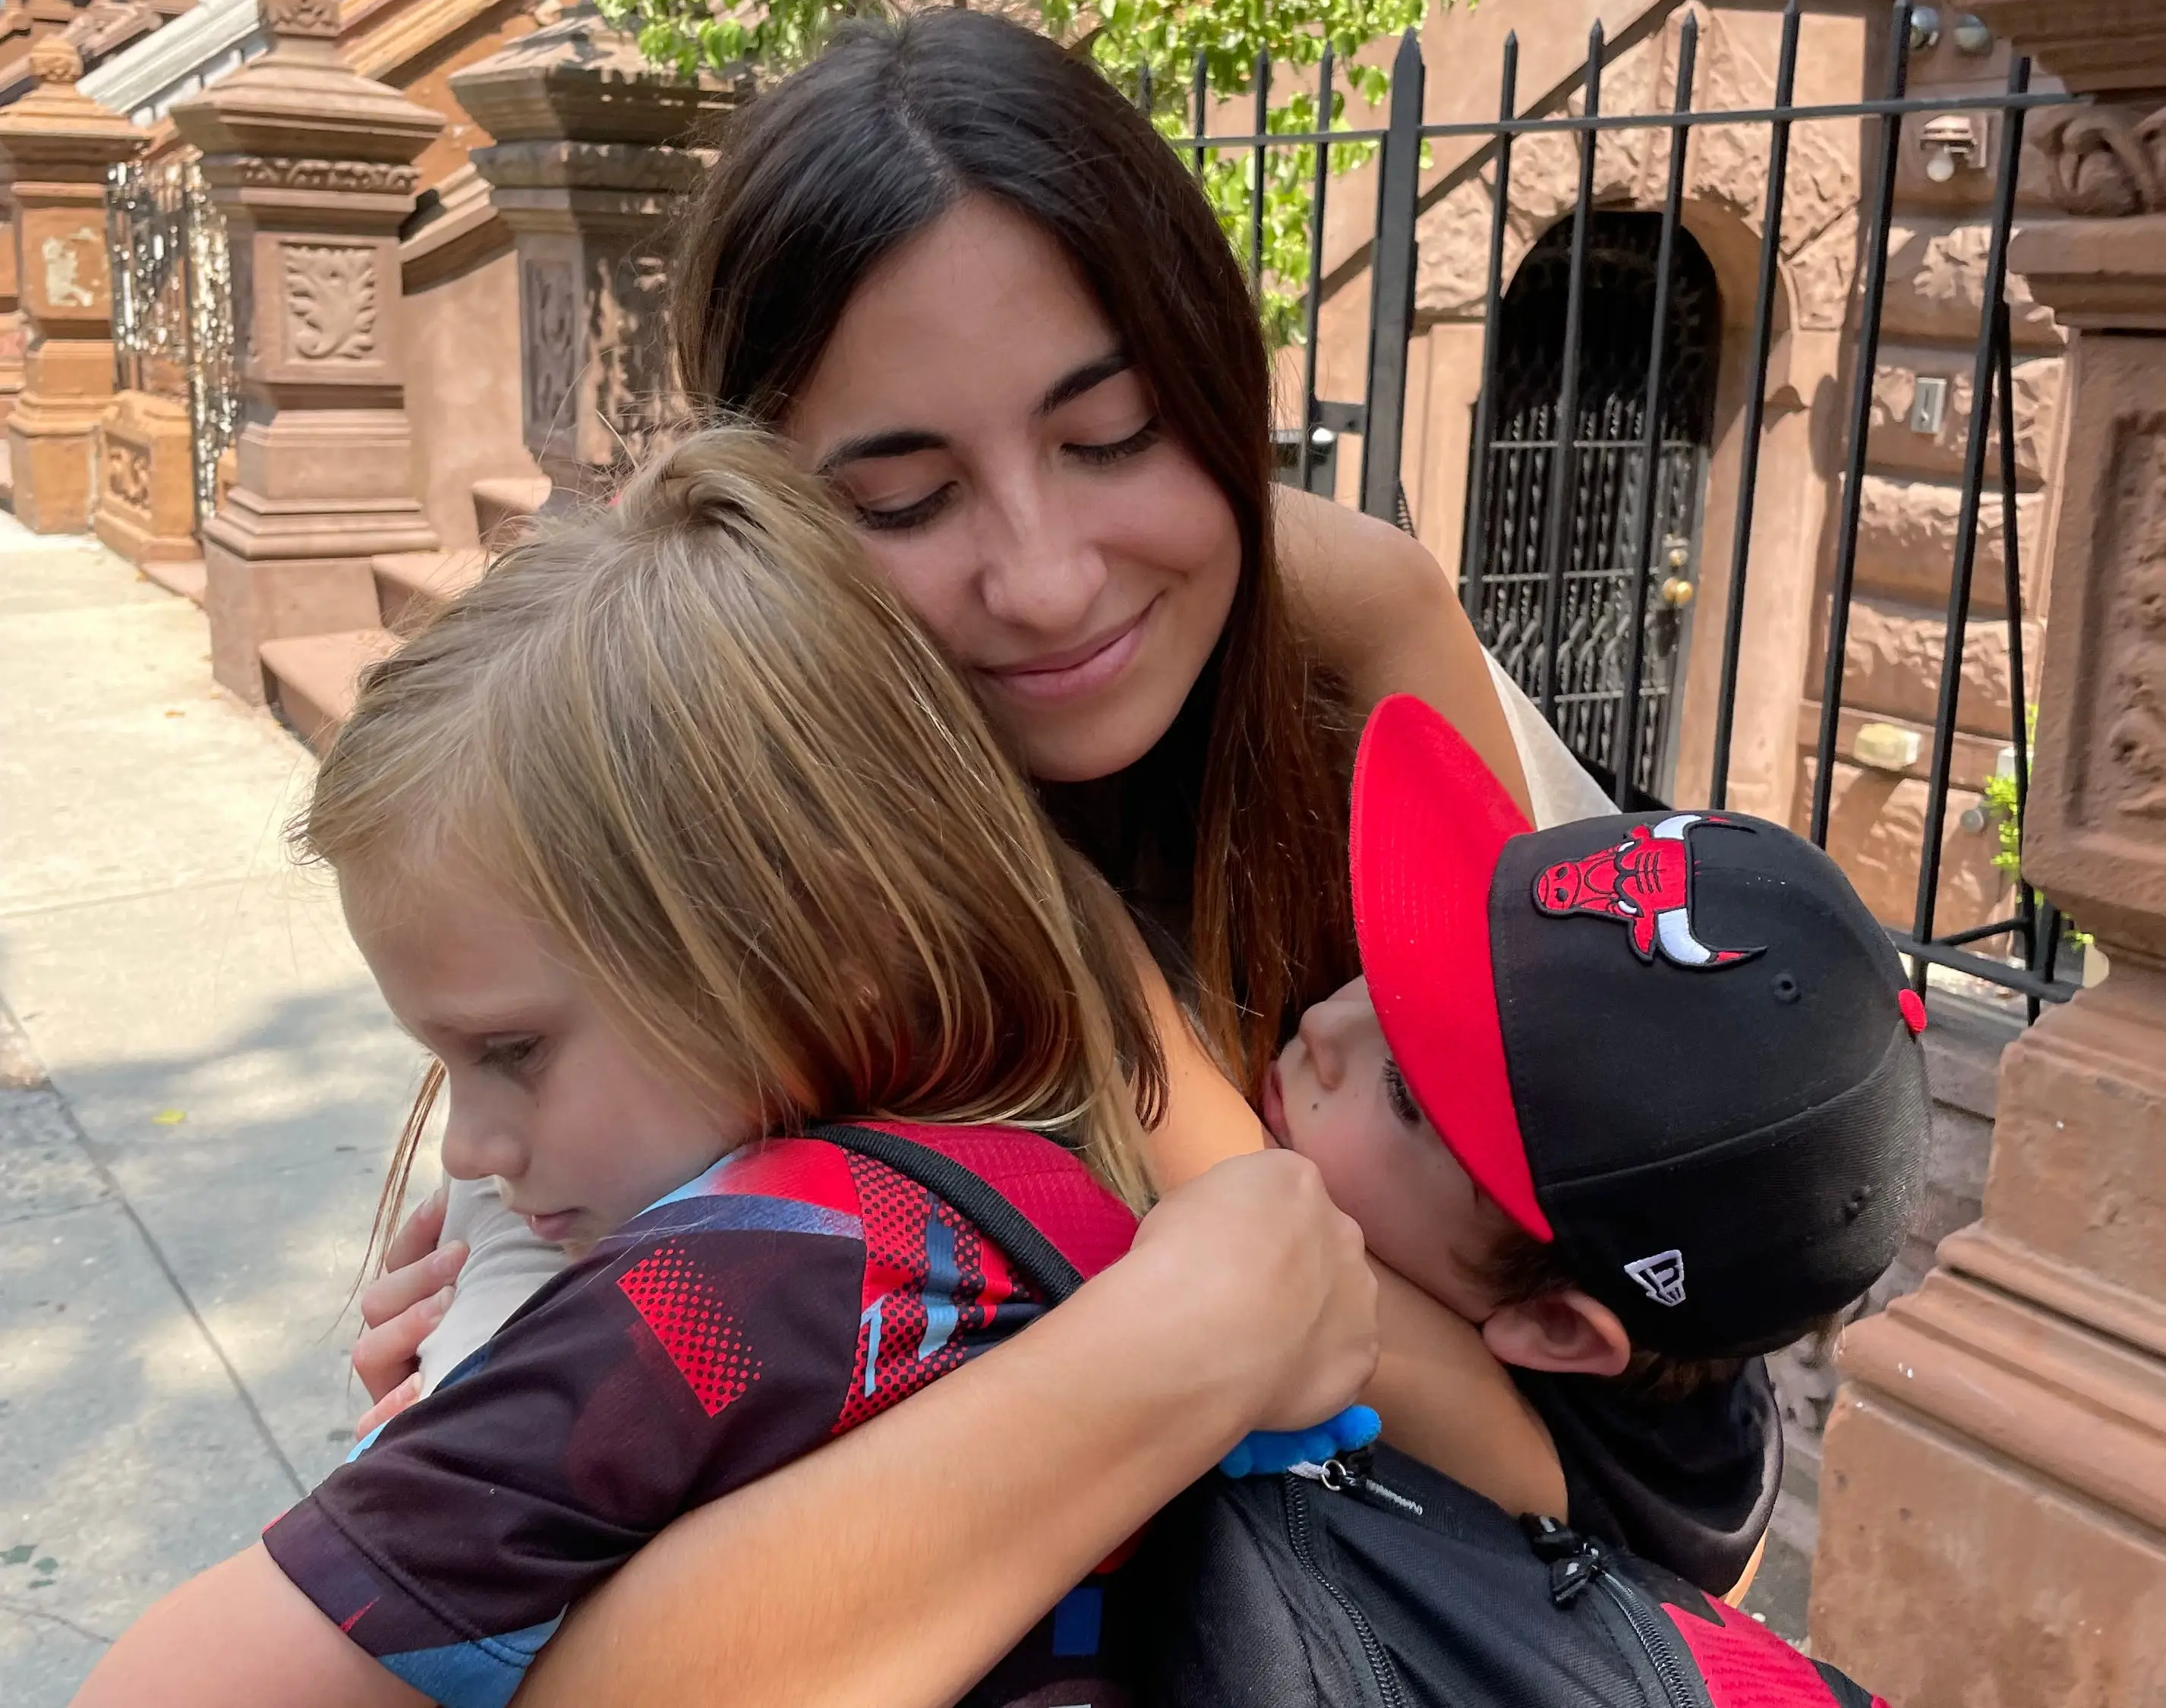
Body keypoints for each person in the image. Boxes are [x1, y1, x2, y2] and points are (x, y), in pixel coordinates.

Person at [351, 14, 1779, 1708]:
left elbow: (1629, 1475)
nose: (1041, 580)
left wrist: (1392, 614)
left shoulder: (1351, 711)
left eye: (1110, 437)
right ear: (762, 534)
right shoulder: (679, 902)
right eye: (900, 500)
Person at [71, 430, 1380, 1708]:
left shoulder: (740, 1281)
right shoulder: (1054, 1198)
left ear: (824, 941)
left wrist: (459, 1441)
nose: (468, 1145)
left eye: (512, 1051)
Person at [1259, 695, 1932, 1596]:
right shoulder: (1685, 1317)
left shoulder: (1526, 1453)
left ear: (1557, 1329)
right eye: (1388, 974)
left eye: (1407, 1094)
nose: (1322, 1022)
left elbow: (1166, 1113)